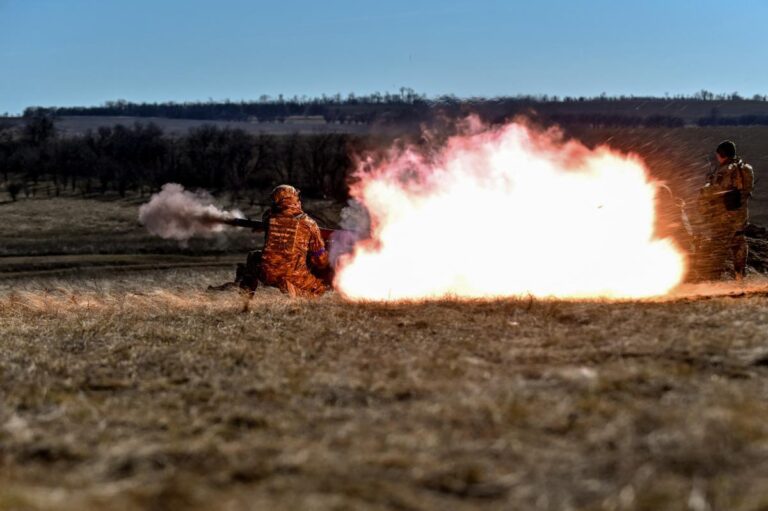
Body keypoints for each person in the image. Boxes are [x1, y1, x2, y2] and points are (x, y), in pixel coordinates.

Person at [256, 185, 330, 296]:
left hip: (266, 273)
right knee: (321, 289)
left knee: (253, 257)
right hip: (293, 274)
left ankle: (246, 294)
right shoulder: (308, 223)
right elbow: (319, 258)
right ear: (294, 199)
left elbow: (270, 215)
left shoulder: (269, 218)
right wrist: (328, 262)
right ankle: (293, 289)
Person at [697, 140, 754, 280]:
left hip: (724, 215)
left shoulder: (724, 171)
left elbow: (718, 191)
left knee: (718, 246)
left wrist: (706, 188)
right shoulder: (746, 169)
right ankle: (740, 276)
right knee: (739, 241)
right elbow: (745, 190)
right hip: (740, 213)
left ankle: (713, 279)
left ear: (722, 154)